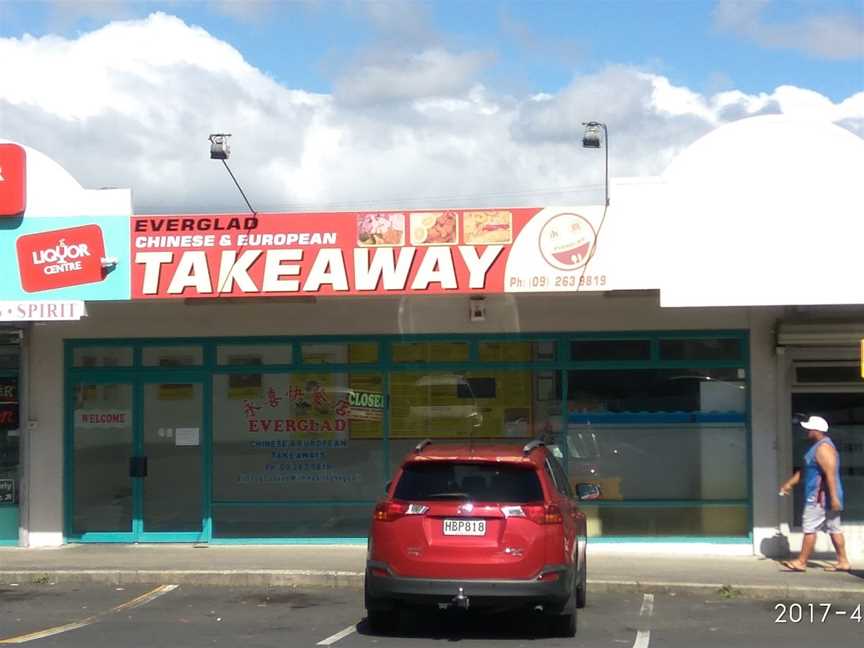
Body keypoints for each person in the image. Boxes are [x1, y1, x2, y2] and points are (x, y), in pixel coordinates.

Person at [779, 415, 851, 572]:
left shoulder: (823, 448)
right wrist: (789, 484)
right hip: (825, 497)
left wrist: (833, 499)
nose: (806, 431)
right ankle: (843, 562)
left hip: (820, 498)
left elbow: (830, 475)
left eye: (809, 428)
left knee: (810, 529)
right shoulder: (817, 447)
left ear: (816, 430)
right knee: (834, 528)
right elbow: (806, 470)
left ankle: (801, 562)